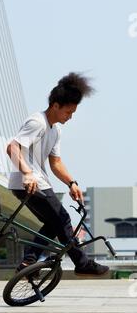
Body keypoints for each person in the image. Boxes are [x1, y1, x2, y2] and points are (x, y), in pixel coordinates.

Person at [6, 72, 109, 276]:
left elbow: (56, 163)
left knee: (53, 223)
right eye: (68, 112)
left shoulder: (56, 130)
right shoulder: (37, 122)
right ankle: (82, 263)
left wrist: (71, 183)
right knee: (62, 219)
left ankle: (28, 263)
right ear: (55, 106)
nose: (70, 117)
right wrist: (27, 173)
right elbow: (12, 147)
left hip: (35, 183)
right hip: (30, 183)